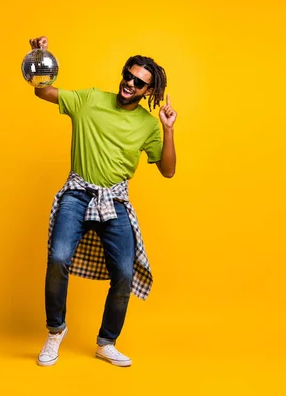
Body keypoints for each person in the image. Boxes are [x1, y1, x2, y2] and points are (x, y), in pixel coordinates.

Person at [30, 36, 177, 367]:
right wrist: (40, 56)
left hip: (115, 200)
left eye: (139, 82)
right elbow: (42, 91)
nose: (130, 83)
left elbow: (168, 171)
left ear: (148, 92)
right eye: (128, 74)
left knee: (124, 273)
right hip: (78, 193)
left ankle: (106, 342)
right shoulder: (89, 99)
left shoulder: (148, 126)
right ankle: (55, 331)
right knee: (58, 257)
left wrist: (168, 130)